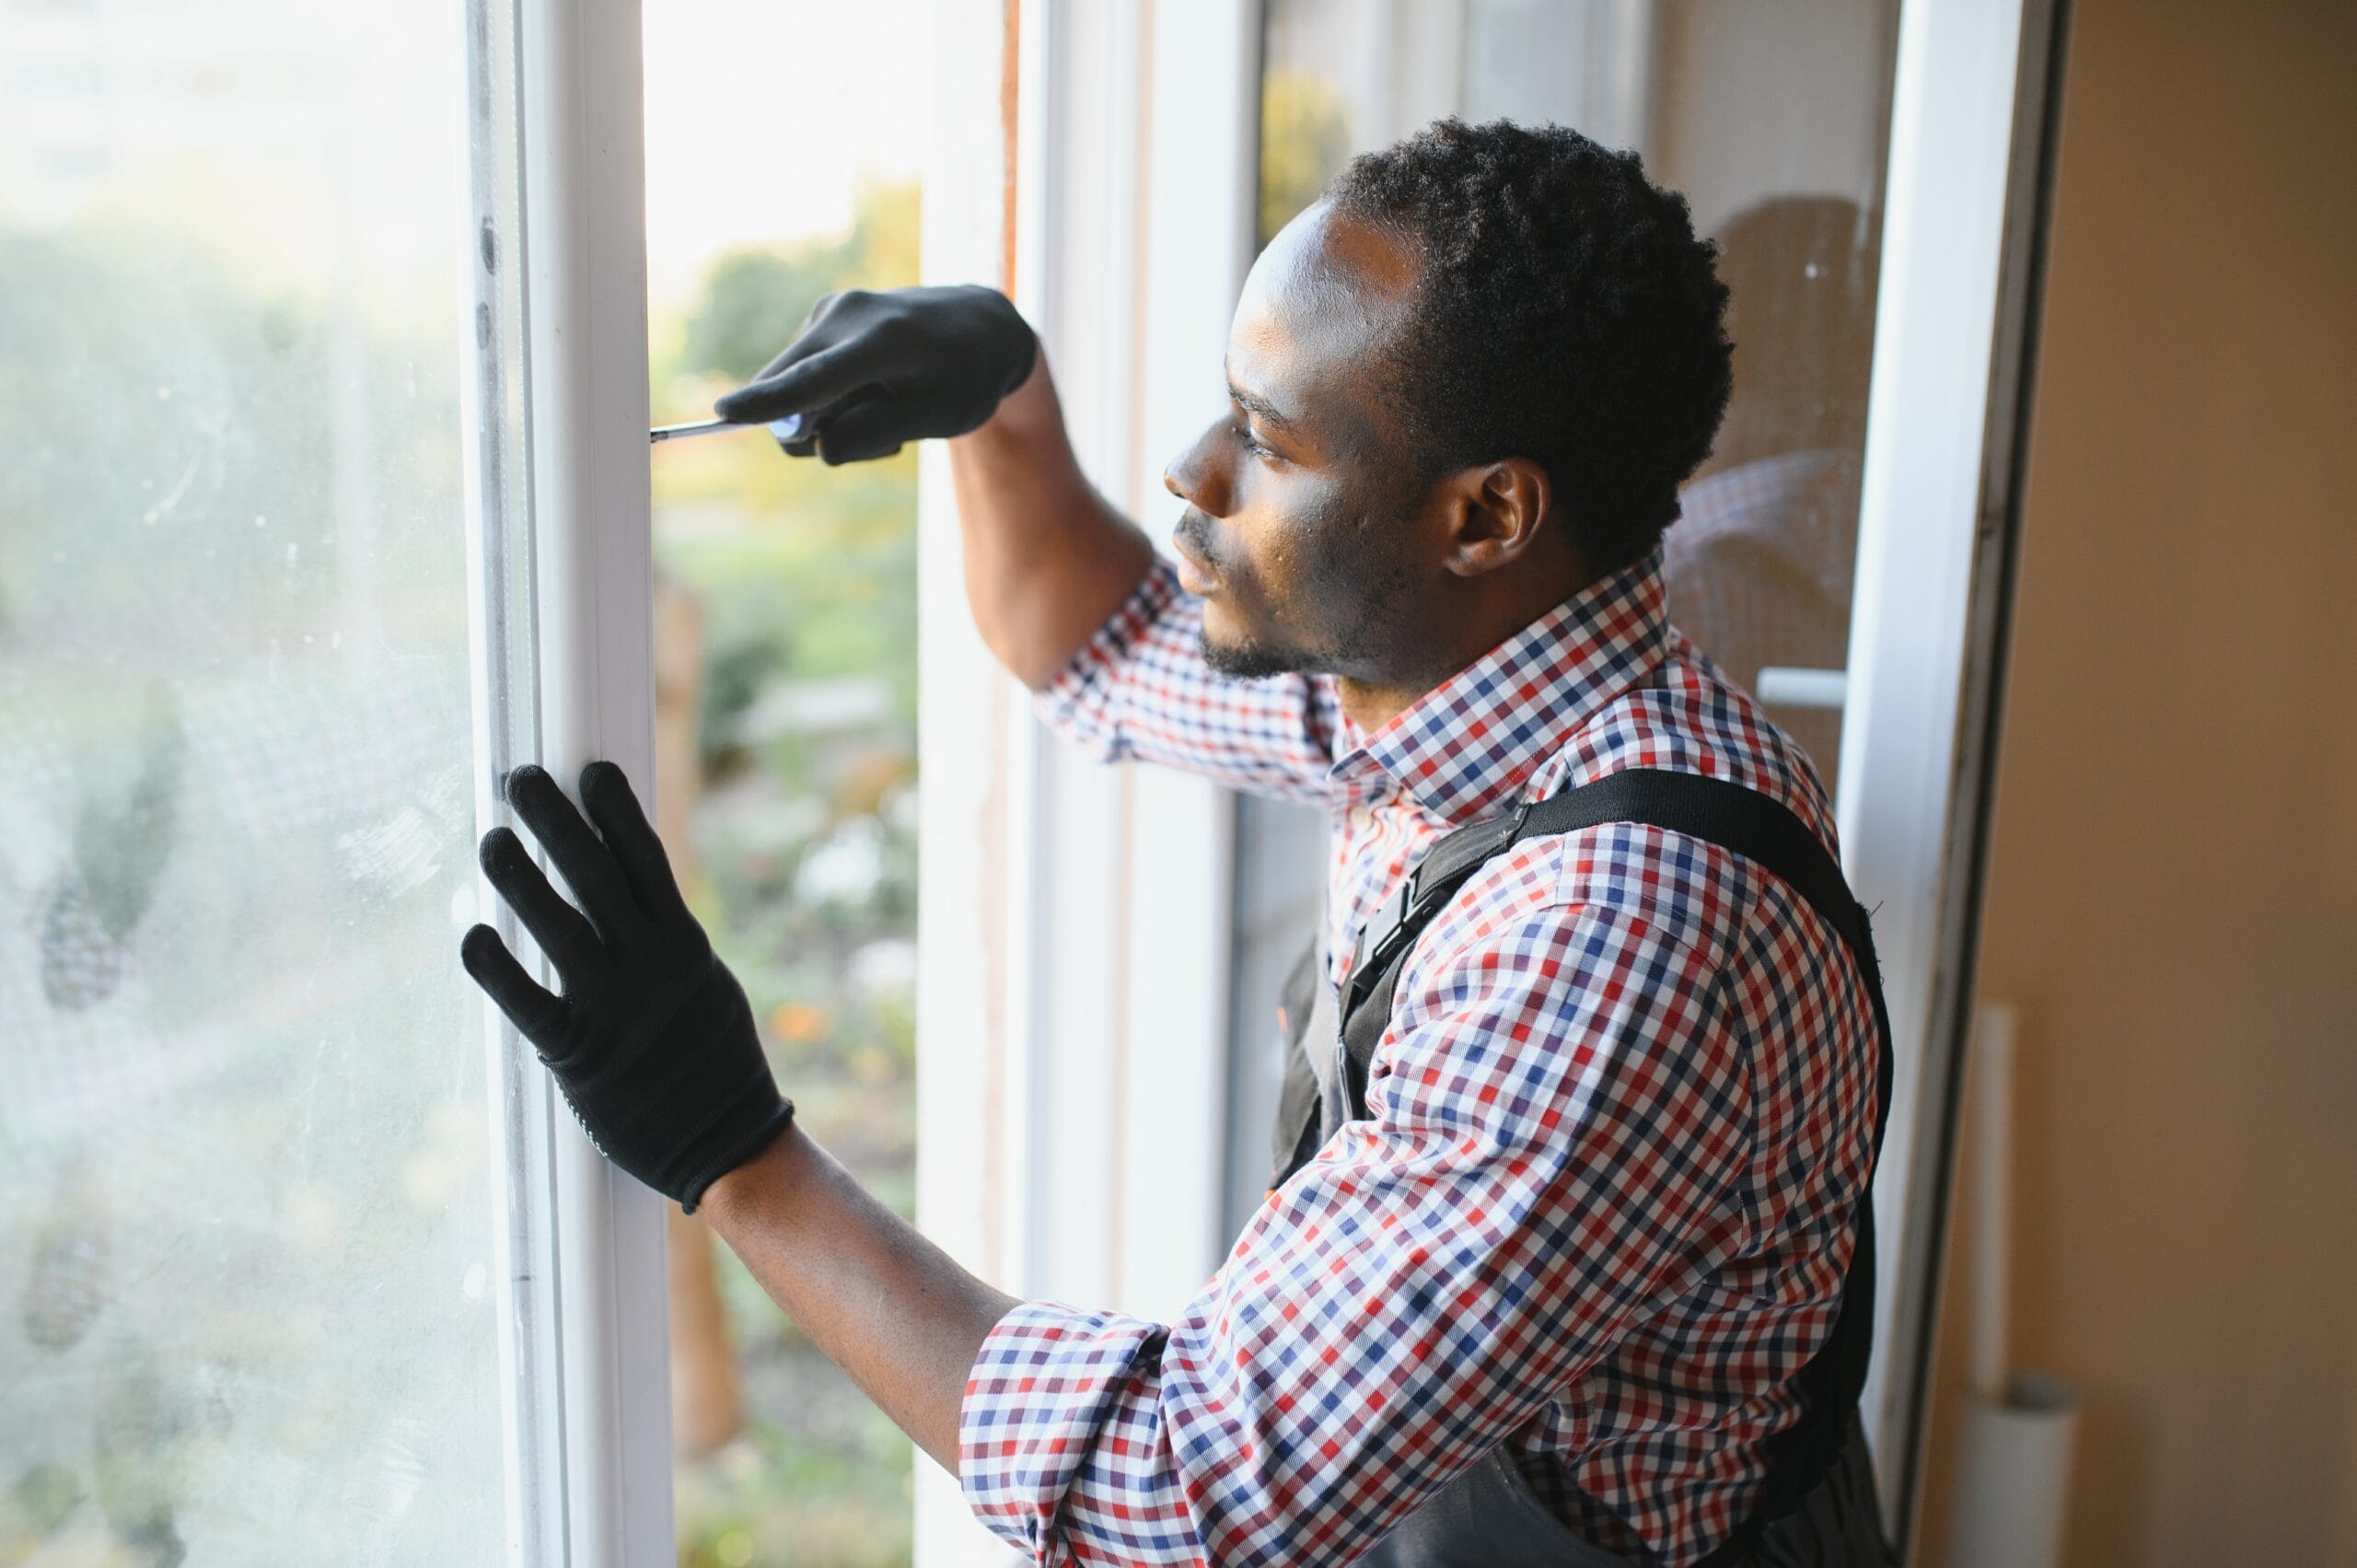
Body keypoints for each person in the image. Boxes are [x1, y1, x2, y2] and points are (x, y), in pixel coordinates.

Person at [461, 119, 1891, 1566]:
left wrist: (733, 1151)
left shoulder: (1621, 930)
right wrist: (1001, 397)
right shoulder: (1481, 697)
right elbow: (1093, 645)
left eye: (1266, 441)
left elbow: (1175, 1499)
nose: (1193, 470)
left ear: (1486, 515)